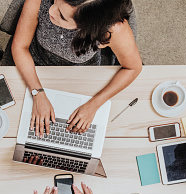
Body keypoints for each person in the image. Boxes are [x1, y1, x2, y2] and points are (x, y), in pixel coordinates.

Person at [11, 0, 142, 136]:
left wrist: (94, 105)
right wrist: (37, 93)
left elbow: (133, 68)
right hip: (34, 66)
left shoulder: (112, 29)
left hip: (83, 76)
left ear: (89, 26)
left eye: (62, 15)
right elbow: (20, 47)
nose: (51, 11)